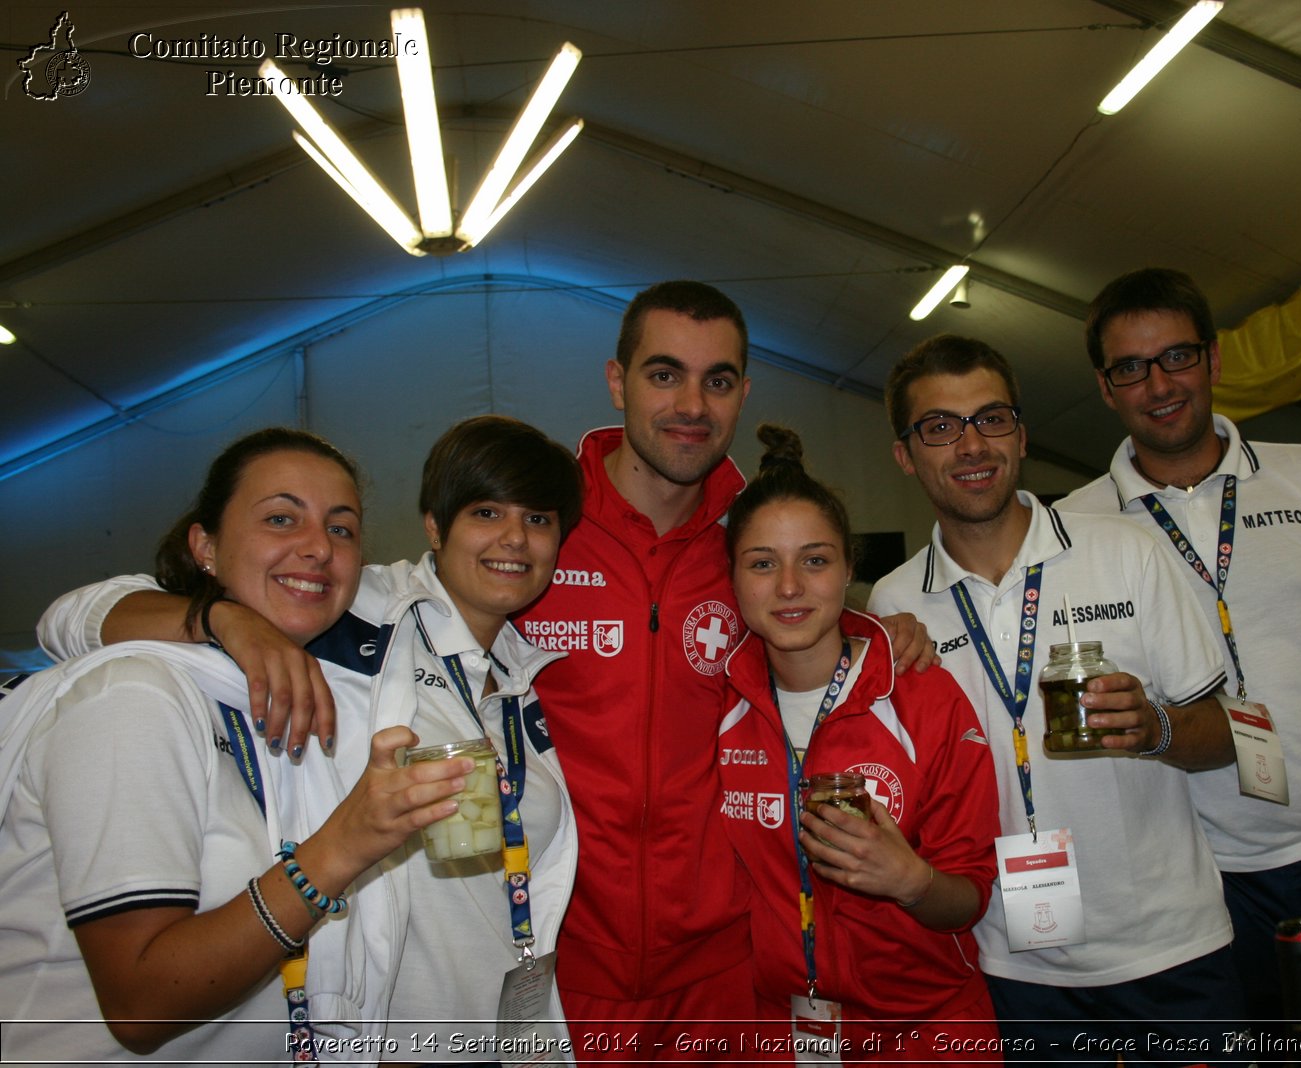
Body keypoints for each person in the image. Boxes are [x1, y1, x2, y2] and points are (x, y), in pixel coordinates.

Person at [34, 416, 584, 1052]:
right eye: (486, 512)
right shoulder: (354, 608)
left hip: (499, 1037)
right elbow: (70, 619)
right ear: (434, 525)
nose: (514, 539)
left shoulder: (520, 680)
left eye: (539, 520)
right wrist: (224, 619)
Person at [508, 281, 934, 1054]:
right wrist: (218, 612)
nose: (692, 405)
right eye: (664, 374)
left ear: (743, 392)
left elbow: (819, 620)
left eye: (719, 380)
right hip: (561, 965)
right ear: (618, 381)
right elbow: (414, 600)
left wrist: (890, 629)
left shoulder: (752, 536)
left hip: (724, 970)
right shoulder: (543, 521)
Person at [1062, 267, 1301, 1057]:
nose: (1159, 384)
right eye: (1130, 368)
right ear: (1105, 389)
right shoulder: (1072, 528)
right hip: (1197, 881)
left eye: (1176, 356)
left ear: (1212, 359)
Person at [867, 335, 1245, 1063]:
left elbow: (1228, 734)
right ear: (906, 454)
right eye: (940, 427)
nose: (971, 444)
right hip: (1013, 969)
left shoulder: (1126, 553)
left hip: (1172, 954)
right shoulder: (895, 605)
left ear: (1022, 434)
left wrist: (1157, 727)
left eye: (992, 418)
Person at [719, 423, 1000, 1058]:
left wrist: (912, 880)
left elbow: (971, 897)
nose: (789, 587)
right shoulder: (717, 703)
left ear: (849, 565)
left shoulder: (922, 697)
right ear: (732, 577)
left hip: (926, 1032)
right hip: (778, 1032)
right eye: (762, 563)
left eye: (814, 560)